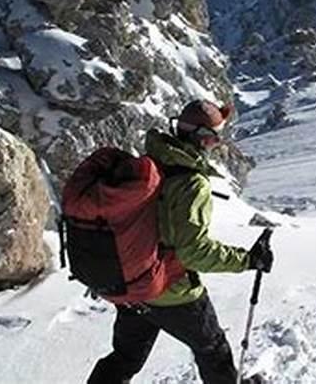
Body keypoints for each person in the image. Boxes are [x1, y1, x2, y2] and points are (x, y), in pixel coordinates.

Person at [87, 99, 274, 384]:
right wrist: (248, 260)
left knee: (125, 357)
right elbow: (193, 252)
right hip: (170, 289)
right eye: (214, 137)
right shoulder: (191, 183)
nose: (215, 143)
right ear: (201, 138)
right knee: (213, 350)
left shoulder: (150, 163)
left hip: (131, 284)